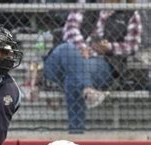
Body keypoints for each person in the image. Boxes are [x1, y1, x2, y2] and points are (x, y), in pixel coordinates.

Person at [44, 0, 142, 133]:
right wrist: (82, 48)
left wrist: (109, 47)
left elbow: (132, 46)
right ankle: (88, 89)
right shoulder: (85, 3)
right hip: (66, 58)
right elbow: (70, 30)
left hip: (101, 62)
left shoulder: (130, 14)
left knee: (73, 78)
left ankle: (76, 132)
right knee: (67, 49)